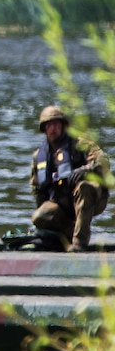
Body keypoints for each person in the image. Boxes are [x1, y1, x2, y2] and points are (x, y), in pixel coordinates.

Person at [29, 105, 109, 252]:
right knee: (40, 217)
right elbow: (37, 188)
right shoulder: (39, 156)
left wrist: (86, 169)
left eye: (57, 124)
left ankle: (80, 243)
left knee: (85, 187)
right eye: (49, 125)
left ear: (63, 126)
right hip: (62, 201)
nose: (53, 128)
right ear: (44, 128)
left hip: (90, 196)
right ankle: (68, 232)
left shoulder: (79, 144)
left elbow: (103, 161)